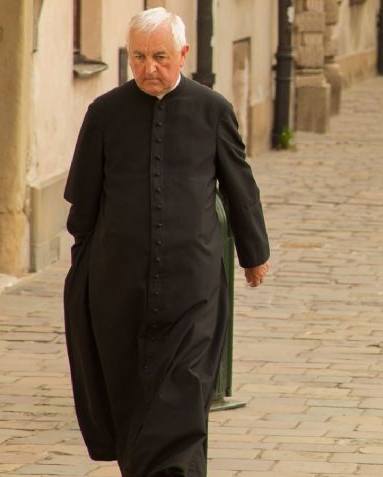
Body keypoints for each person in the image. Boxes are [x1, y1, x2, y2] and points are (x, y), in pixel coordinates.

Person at [63, 7, 269, 476]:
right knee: (128, 388)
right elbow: (85, 205)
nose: (148, 68)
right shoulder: (105, 113)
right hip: (118, 282)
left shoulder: (212, 109)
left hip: (192, 282)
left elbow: (240, 186)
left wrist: (254, 255)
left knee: (184, 386)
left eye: (159, 56)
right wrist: (84, 270)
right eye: (138, 57)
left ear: (183, 54)